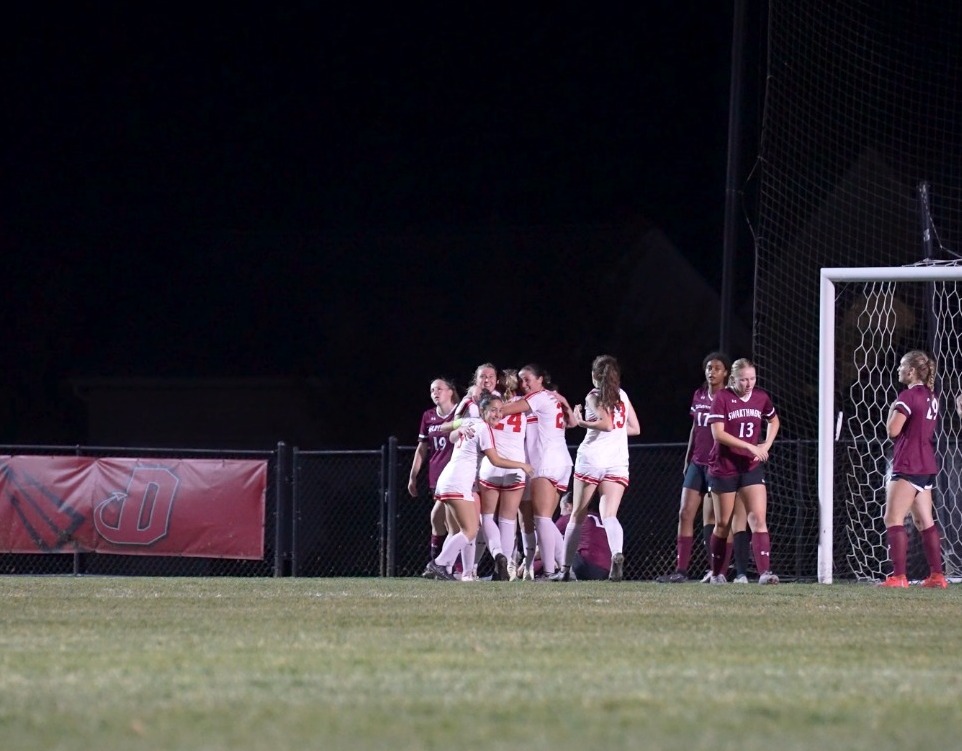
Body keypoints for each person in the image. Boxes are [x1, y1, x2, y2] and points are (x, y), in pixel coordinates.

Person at [422, 394, 534, 581]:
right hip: (458, 481)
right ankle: (439, 564)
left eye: (500, 410)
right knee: (470, 531)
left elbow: (446, 432)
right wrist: (521, 465)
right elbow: (495, 460)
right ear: (482, 411)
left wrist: (459, 427)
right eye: (493, 410)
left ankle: (447, 566)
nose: (498, 414)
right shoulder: (483, 429)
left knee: (464, 530)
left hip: (450, 479)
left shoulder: (473, 423)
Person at [556, 355, 640, 582]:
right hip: (617, 459)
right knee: (609, 515)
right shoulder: (623, 396)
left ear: (594, 375)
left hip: (593, 458)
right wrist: (614, 430)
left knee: (577, 515)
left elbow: (606, 423)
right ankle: (617, 554)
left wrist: (582, 422)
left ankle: (564, 570)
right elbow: (634, 428)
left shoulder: (593, 396)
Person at [705, 358, 781, 585]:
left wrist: (765, 446)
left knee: (758, 518)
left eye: (752, 379)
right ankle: (717, 573)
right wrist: (749, 445)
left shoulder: (761, 397)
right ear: (733, 379)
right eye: (744, 380)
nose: (749, 384)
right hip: (724, 468)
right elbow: (718, 434)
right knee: (723, 524)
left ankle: (765, 573)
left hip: (750, 468)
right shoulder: (722, 398)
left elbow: (774, 421)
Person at [657, 353, 731, 583]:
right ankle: (681, 570)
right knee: (685, 513)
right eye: (709, 367)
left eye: (717, 368)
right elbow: (694, 428)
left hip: (717, 465)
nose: (712, 372)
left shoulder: (728, 397)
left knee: (716, 520)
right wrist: (687, 457)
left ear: (726, 373)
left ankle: (717, 570)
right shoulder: (699, 395)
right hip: (697, 463)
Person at [500, 364, 576, 578]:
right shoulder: (549, 398)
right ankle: (564, 570)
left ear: (541, 379)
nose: (524, 384)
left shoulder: (540, 397)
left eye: (527, 379)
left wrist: (490, 409)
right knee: (544, 521)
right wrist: (565, 402)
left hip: (546, 462)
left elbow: (507, 410)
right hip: (560, 462)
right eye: (521, 381)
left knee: (541, 518)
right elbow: (572, 422)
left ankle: (551, 571)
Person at [880, 350, 948, 588]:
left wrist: (892, 409)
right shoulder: (931, 396)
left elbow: (893, 431)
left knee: (892, 518)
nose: (897, 369)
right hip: (926, 464)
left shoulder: (907, 397)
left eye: (901, 365)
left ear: (911, 371)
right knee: (924, 521)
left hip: (909, 463)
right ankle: (937, 576)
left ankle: (898, 577)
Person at [478, 368, 526, 580]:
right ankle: (505, 569)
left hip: (492, 466)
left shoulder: (490, 403)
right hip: (516, 466)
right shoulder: (526, 404)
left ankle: (497, 555)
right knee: (508, 520)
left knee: (487, 517)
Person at [407, 378, 459, 561]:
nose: (435, 393)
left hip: (455, 476)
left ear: (450, 391)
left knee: (444, 519)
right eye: (432, 390)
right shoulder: (428, 416)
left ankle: (444, 564)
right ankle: (441, 563)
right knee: (440, 521)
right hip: (436, 477)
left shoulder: (460, 413)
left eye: (439, 389)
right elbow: (422, 448)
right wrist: (413, 476)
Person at [556, 493, 612, 580]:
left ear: (568, 506)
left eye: (561, 508)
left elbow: (542, 549)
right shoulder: (600, 518)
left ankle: (558, 573)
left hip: (585, 566)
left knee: (556, 545)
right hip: (606, 570)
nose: (561, 513)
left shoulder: (568, 519)